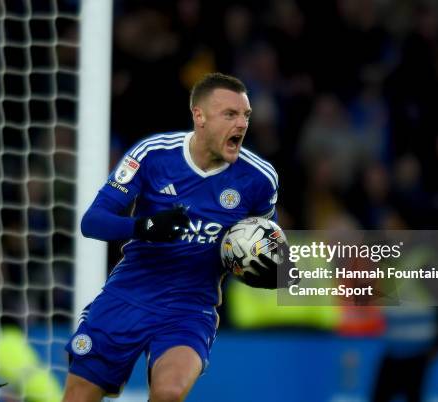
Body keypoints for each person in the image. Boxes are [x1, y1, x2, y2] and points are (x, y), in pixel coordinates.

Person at [63, 73, 284, 402]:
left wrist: (269, 270)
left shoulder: (260, 179)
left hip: (189, 309)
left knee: (168, 393)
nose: (241, 124)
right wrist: (144, 227)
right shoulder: (154, 154)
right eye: (230, 114)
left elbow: (267, 245)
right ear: (199, 116)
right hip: (128, 296)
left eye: (245, 115)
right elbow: (92, 222)